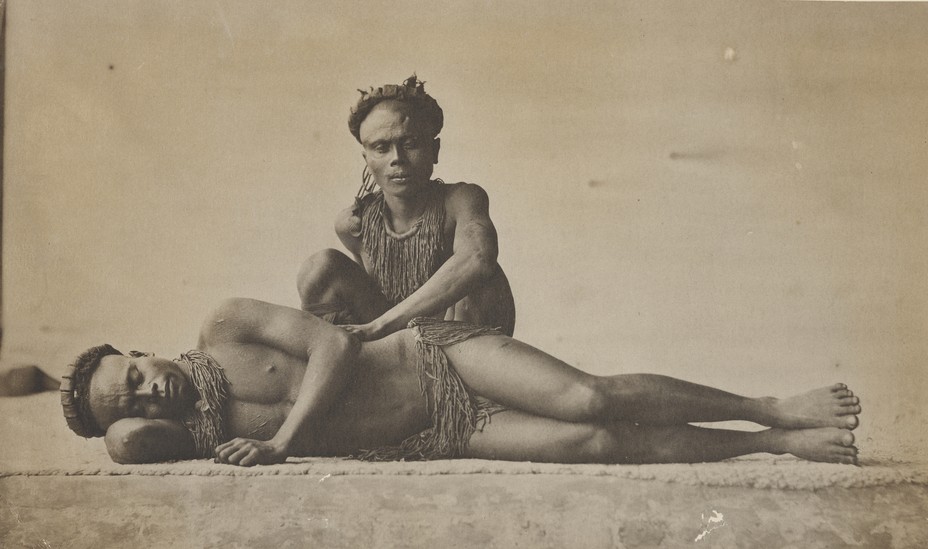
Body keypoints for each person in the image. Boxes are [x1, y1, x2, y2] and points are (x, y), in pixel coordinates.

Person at [60, 298, 861, 467]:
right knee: (594, 441)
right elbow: (125, 443)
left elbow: (334, 343)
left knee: (589, 397)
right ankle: (775, 445)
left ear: (143, 347)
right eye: (133, 401)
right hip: (436, 431)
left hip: (434, 359)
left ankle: (768, 405)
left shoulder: (225, 326)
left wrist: (283, 442)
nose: (149, 393)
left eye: (135, 373)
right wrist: (103, 411)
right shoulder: (195, 435)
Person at [297, 75, 515, 341]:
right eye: (381, 148)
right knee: (321, 268)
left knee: (479, 278)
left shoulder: (462, 200)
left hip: (462, 346)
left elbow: (478, 258)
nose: (397, 159)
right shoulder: (353, 225)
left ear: (434, 150)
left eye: (410, 144)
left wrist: (379, 326)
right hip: (396, 342)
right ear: (367, 159)